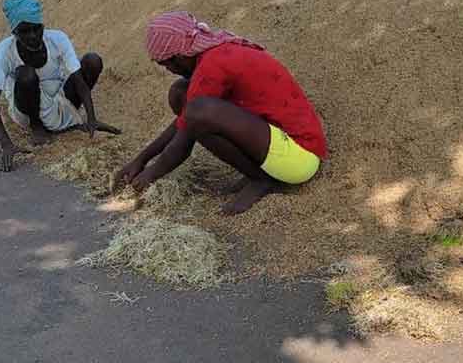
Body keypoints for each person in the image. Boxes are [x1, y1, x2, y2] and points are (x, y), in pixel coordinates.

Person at [115, 11, 327, 215]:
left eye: (168, 64)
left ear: (180, 55)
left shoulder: (213, 65)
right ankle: (259, 173)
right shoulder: (215, 52)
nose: (169, 70)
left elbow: (183, 142)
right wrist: (141, 160)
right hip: (280, 144)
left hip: (300, 159)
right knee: (181, 92)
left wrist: (149, 176)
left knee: (198, 111)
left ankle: (261, 180)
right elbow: (182, 123)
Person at [0, 0, 119, 172]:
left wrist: (91, 118)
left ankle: (68, 119)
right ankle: (37, 126)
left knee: (92, 60)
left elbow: (78, 81)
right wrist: (6, 144)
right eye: (24, 31)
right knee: (26, 74)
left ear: (42, 26)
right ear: (14, 33)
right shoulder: (4, 51)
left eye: (36, 29)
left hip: (59, 98)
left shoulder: (57, 38)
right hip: (25, 108)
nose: (33, 36)